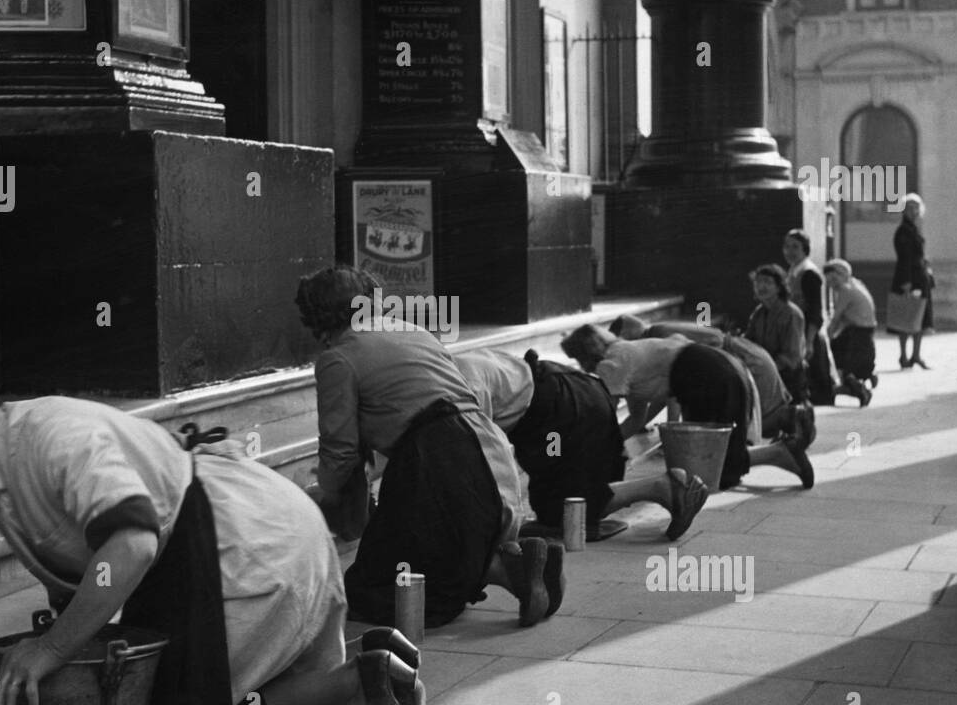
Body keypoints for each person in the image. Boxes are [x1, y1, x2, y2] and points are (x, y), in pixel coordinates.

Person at [0, 375, 424, 705]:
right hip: (205, 550)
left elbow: (131, 542)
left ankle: (351, 684)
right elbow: (80, 582)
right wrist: (54, 691)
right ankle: (366, 674)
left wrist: (54, 649)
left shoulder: (52, 435)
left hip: (239, 543)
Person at [297, 266, 561, 630]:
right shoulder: (411, 331)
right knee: (433, 551)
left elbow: (340, 450)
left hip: (436, 462)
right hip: (487, 444)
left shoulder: (338, 358)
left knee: (376, 588)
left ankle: (512, 571)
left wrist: (320, 494)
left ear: (317, 316)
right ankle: (516, 569)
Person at [453, 347, 709, 542]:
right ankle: (662, 487)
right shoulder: (458, 364)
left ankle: (663, 487)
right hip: (579, 389)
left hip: (559, 406)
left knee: (563, 511)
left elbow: (484, 462)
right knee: (558, 502)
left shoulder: (461, 387)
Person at [561, 325, 813, 491]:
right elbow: (636, 418)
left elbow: (604, 412)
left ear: (584, 353)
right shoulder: (626, 353)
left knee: (710, 464)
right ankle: (781, 452)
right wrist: (613, 441)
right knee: (715, 460)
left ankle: (781, 452)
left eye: (576, 358)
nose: (579, 365)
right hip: (716, 364)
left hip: (699, 372)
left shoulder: (612, 364)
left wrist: (587, 445)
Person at [611, 313, 809, 445]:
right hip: (745, 356)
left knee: (749, 426)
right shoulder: (655, 335)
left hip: (743, 361)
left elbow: (673, 387)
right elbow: (663, 394)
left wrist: (671, 437)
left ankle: (792, 419)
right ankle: (790, 421)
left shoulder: (658, 336)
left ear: (627, 335)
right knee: (747, 424)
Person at [782, 228, 836, 404]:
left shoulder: (809, 273)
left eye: (795, 247)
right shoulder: (793, 271)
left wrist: (810, 340)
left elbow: (814, 310)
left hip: (807, 332)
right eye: (787, 247)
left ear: (805, 249)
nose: (790, 251)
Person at [745, 264, 808, 403]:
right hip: (765, 374)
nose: (761, 287)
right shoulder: (758, 313)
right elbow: (749, 343)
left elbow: (792, 355)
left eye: (767, 282)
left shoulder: (791, 313)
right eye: (758, 282)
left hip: (789, 377)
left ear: (779, 287)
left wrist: (767, 367)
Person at [823, 258, 877, 407]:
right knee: (839, 351)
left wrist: (825, 338)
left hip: (858, 331)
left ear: (842, 275)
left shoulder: (846, 289)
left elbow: (837, 317)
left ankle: (857, 388)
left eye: (834, 278)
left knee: (845, 363)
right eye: (829, 280)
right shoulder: (856, 284)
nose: (832, 283)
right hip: (862, 329)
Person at [891, 193, 933, 369]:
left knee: (920, 318)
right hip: (909, 279)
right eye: (909, 207)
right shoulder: (903, 231)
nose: (913, 211)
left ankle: (916, 354)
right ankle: (904, 355)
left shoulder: (914, 229)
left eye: (916, 207)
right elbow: (905, 258)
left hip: (920, 277)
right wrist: (906, 282)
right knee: (905, 317)